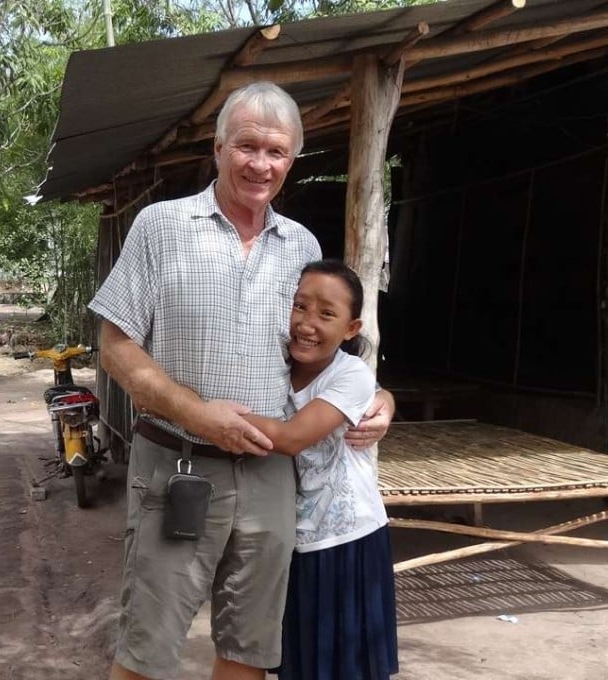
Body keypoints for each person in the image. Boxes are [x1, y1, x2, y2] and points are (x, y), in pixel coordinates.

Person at [89, 81, 395, 680]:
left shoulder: (301, 245)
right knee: (147, 646)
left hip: (271, 477)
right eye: (247, 146)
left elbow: (323, 354)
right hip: (178, 463)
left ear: (292, 160)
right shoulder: (161, 227)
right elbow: (115, 346)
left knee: (250, 647)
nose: (261, 163)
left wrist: (379, 395)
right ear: (219, 147)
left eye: (277, 151)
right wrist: (194, 412)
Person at [243, 260, 398, 680]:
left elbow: (292, 437)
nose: (307, 323)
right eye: (300, 307)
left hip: (348, 539)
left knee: (348, 666)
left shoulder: (350, 375)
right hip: (290, 538)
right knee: (300, 661)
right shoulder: (271, 365)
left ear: (351, 328)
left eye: (326, 314)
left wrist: (203, 414)